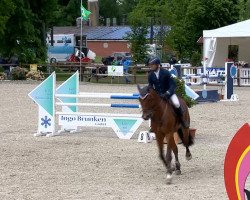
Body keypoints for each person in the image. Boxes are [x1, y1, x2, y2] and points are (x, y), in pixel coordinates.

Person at [147, 56, 188, 128]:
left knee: (176, 103)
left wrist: (168, 93)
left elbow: (173, 84)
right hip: (158, 95)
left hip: (169, 93)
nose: (151, 66)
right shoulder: (150, 75)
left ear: (157, 65)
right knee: (150, 106)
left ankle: (182, 121)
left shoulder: (166, 72)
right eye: (150, 65)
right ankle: (153, 125)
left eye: (152, 65)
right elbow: (150, 86)